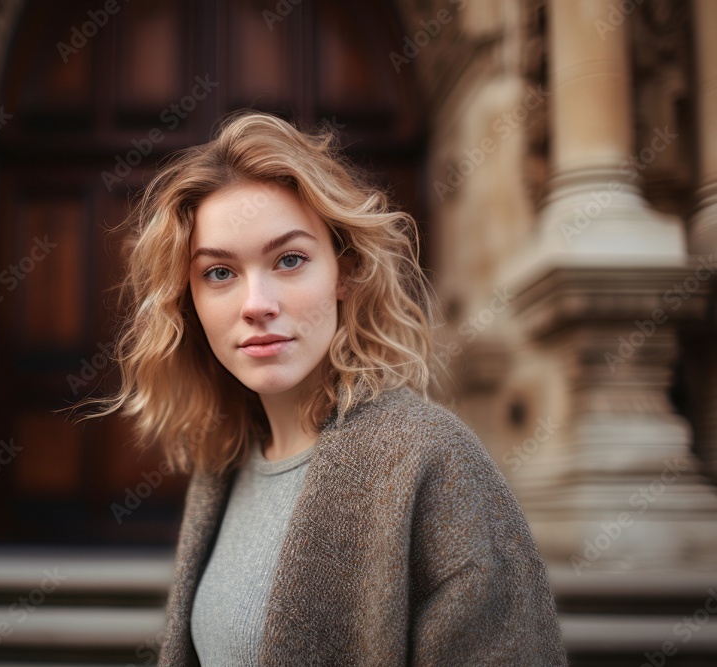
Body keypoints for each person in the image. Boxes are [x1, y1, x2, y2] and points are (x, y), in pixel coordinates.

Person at [72, 110, 568, 665]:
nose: (257, 304)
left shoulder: (432, 458)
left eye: (289, 260)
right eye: (219, 272)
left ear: (345, 272)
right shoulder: (226, 464)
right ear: (189, 300)